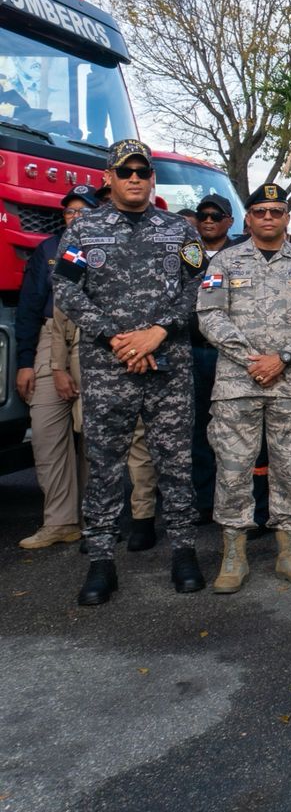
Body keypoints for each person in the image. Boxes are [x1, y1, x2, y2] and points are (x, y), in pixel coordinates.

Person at [55, 139, 207, 605]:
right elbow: (65, 288)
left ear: (152, 178)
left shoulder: (178, 231)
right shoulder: (84, 230)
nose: (136, 178)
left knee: (177, 463)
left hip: (169, 366)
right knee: (104, 465)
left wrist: (158, 331)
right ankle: (101, 559)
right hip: (109, 367)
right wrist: (115, 339)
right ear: (109, 178)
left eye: (143, 171)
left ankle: (184, 550)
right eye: (126, 172)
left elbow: (200, 286)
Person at [197, 183, 291, 593]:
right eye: (260, 211)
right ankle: (234, 555)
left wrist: (282, 358)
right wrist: (252, 358)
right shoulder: (225, 261)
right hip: (239, 383)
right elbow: (209, 315)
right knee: (233, 469)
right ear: (249, 218)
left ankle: (289, 551)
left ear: (287, 217)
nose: (268, 217)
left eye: (276, 210)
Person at [15, 185, 99, 550]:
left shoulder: (107, 248)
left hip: (94, 337)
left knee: (94, 436)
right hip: (51, 336)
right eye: (70, 212)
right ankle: (60, 522)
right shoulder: (49, 249)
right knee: (47, 430)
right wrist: (24, 362)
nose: (75, 217)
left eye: (84, 211)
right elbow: (29, 306)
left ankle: (95, 519)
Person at [189, 191, 239, 523]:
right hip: (192, 352)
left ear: (229, 222)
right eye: (203, 215)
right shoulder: (186, 254)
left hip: (231, 355)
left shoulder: (240, 254)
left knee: (234, 431)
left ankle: (233, 501)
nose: (208, 220)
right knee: (196, 431)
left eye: (215, 215)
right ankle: (204, 501)